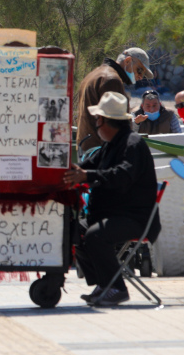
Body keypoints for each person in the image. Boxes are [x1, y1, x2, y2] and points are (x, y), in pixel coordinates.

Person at [63, 91, 161, 306]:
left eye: (98, 121)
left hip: (134, 219)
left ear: (108, 122)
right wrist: (68, 170)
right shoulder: (111, 144)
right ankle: (104, 283)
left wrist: (85, 176)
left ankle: (116, 288)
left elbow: (122, 176)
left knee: (96, 236)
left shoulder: (132, 144)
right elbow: (88, 166)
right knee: (74, 230)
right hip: (112, 215)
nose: (96, 126)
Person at [77, 47, 154, 155]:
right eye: (139, 70)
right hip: (100, 151)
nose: (140, 77)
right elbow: (113, 124)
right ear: (128, 61)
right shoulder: (111, 80)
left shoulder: (95, 74)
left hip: (88, 148)